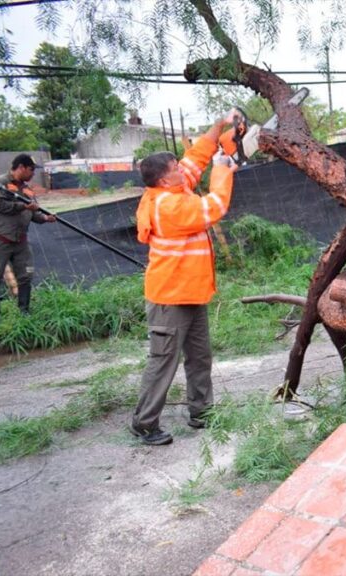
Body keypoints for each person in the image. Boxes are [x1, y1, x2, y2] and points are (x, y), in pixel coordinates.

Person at [129, 111, 239, 446]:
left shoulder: (176, 188)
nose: (182, 169)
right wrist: (224, 167)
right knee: (164, 361)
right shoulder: (168, 207)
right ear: (164, 180)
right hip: (169, 298)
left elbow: (194, 158)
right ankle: (144, 423)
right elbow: (215, 206)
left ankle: (201, 412)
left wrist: (218, 127)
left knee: (200, 356)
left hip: (191, 292)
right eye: (174, 169)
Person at [0, 154, 57, 326]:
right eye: (31, 169)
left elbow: (33, 213)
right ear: (21, 167)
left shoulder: (27, 190)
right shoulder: (0, 183)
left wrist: (45, 218)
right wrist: (23, 206)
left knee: (26, 275)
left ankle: (24, 312)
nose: (33, 173)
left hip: (21, 241)